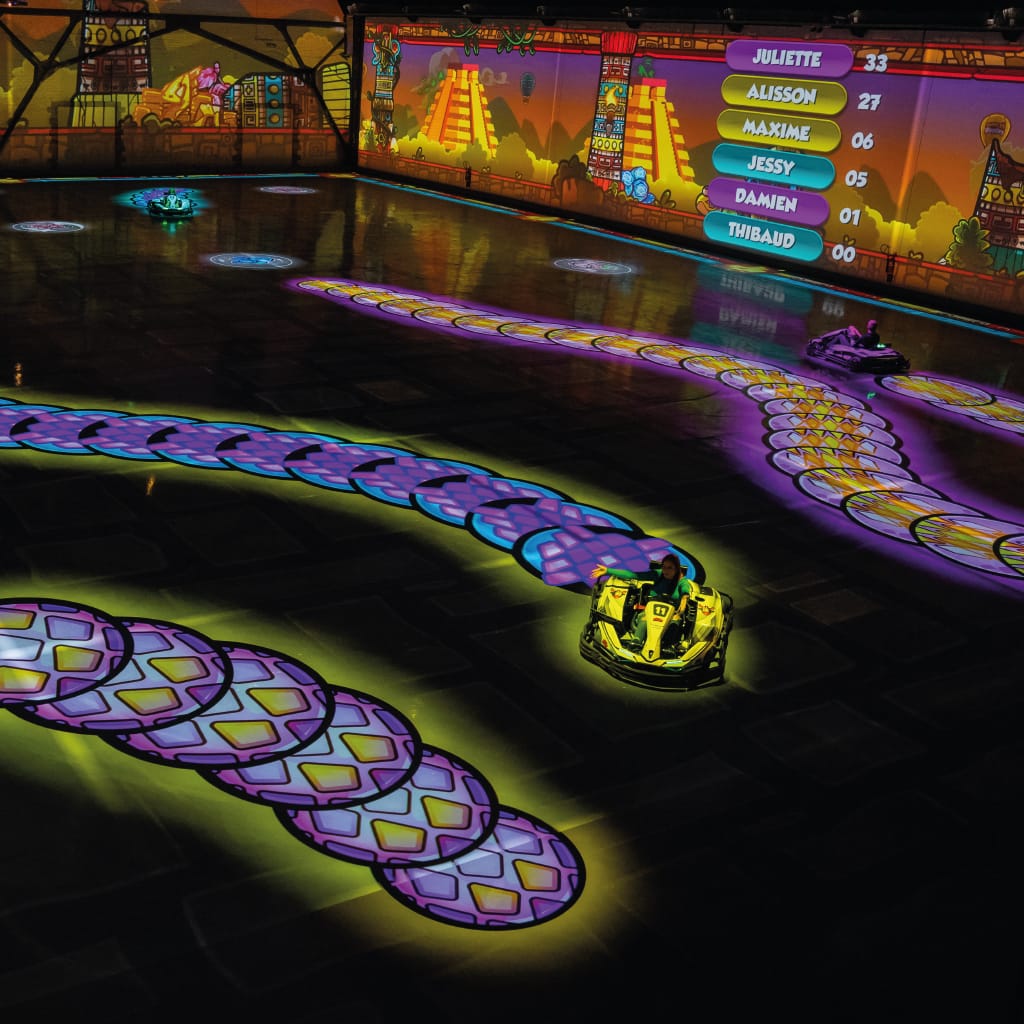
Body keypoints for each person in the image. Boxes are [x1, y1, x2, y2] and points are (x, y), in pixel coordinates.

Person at [590, 553, 696, 647]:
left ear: (676, 569)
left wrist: (682, 604)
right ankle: (637, 641)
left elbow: (685, 593)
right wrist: (608, 571)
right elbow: (633, 575)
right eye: (664, 567)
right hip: (649, 610)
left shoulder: (682, 581)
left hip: (671, 614)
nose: (665, 571)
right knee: (645, 618)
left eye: (670, 568)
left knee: (675, 622)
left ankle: (668, 646)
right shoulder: (658, 575)